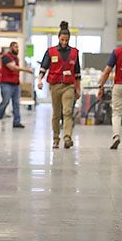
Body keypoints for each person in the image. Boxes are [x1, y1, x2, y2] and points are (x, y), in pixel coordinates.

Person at [36, 21, 81, 149]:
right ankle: (56, 138)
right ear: (58, 38)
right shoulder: (50, 52)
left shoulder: (74, 53)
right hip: (55, 85)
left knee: (67, 112)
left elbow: (77, 73)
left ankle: (67, 138)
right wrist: (39, 80)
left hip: (69, 86)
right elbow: (43, 67)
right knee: (56, 114)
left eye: (66, 40)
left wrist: (78, 88)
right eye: (62, 40)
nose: (64, 42)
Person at [0, 40, 29, 129]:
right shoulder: (6, 57)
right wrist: (25, 69)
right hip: (6, 84)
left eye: (18, 47)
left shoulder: (16, 58)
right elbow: (12, 67)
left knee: (16, 103)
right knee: (5, 102)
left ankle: (17, 122)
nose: (17, 49)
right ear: (11, 47)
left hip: (15, 84)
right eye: (16, 47)